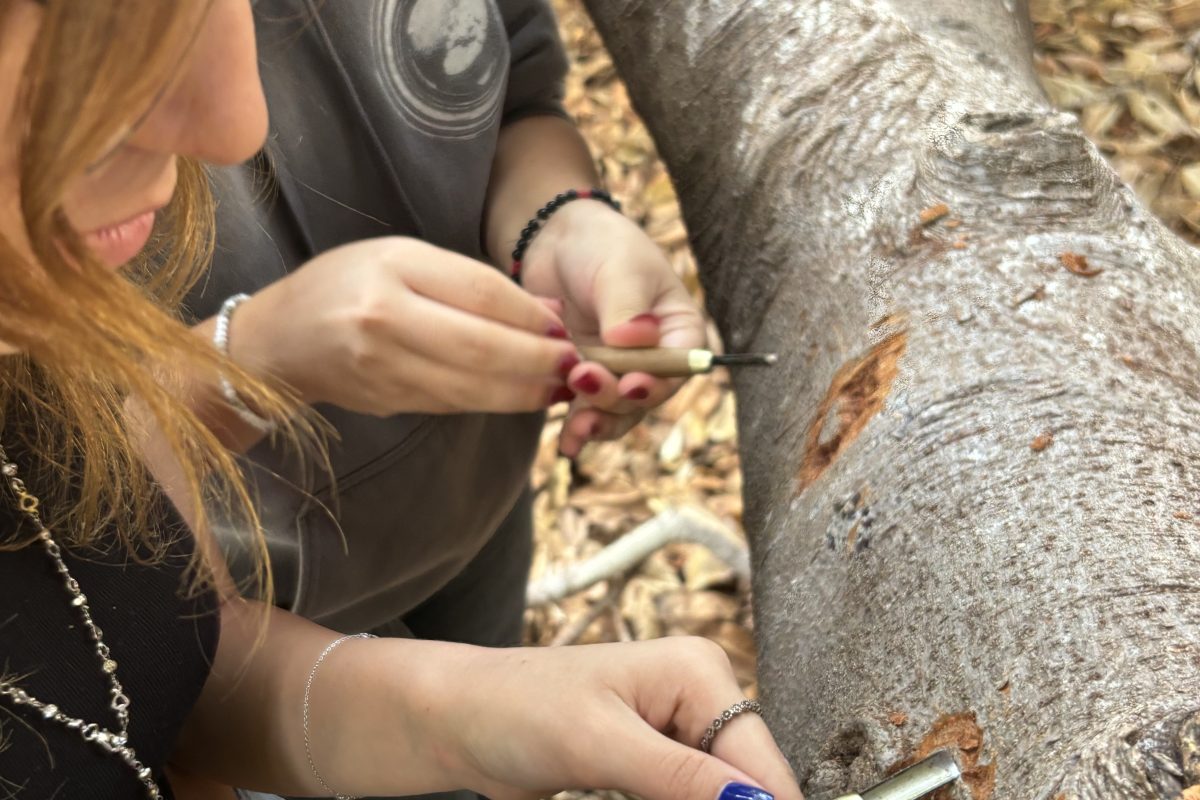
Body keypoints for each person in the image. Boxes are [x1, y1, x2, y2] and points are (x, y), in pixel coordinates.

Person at [0, 2, 806, 800]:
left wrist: (477, 718)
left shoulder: (37, 398)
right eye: (92, 39)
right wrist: (248, 359)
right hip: (284, 582)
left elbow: (162, 672)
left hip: (461, 529)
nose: (238, 127)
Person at [184, 0, 710, 645]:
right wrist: (249, 359)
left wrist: (556, 222)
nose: (240, 130)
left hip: (480, 495)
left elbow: (519, 96)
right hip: (226, 605)